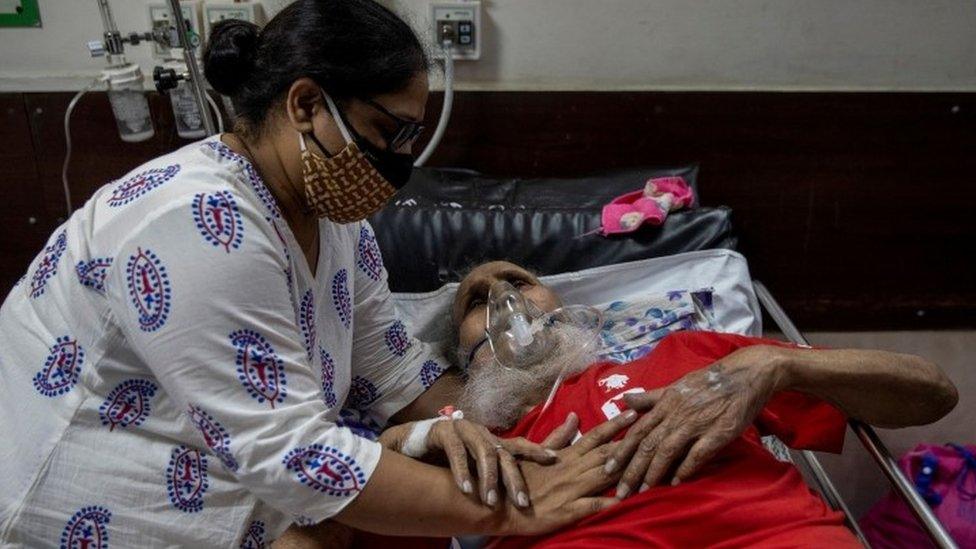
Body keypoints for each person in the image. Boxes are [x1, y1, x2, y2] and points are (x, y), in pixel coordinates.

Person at [0, 4, 629, 547]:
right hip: (77, 500)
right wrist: (520, 503)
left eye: (413, 137)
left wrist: (510, 435)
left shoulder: (336, 227)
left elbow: (393, 374)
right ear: (306, 104)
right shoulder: (195, 222)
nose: (403, 159)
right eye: (392, 131)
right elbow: (293, 458)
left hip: (241, 481)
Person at [368, 260, 959, 548]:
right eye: (478, 304)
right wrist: (413, 438)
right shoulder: (466, 436)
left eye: (520, 284)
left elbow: (932, 392)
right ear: (463, 362)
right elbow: (353, 496)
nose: (503, 298)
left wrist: (775, 364)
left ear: (564, 308)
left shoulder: (694, 356)